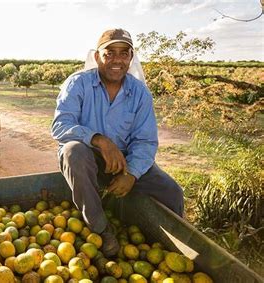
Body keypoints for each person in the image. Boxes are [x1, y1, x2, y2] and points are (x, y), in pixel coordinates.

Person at [51, 28, 184, 257]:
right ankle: (101, 229)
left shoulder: (139, 93)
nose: (117, 59)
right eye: (109, 52)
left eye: (124, 53)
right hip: (87, 159)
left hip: (122, 163)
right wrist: (99, 140)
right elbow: (60, 126)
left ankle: (175, 246)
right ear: (97, 56)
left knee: (172, 191)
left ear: (130, 58)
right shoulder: (78, 84)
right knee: (73, 151)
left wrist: (131, 173)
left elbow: (145, 140)